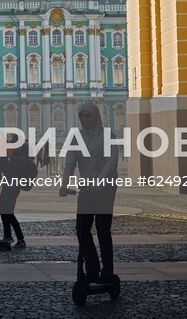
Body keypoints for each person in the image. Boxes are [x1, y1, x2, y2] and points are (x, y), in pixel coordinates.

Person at [61, 102, 120, 283]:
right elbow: (70, 162)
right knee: (81, 229)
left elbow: (111, 162)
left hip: (105, 188)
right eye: (82, 116)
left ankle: (107, 270)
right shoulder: (76, 138)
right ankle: (92, 267)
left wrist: (99, 180)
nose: (84, 119)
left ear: (95, 116)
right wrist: (64, 184)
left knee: (102, 229)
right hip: (87, 188)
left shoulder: (108, 135)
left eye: (88, 116)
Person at [0, 145, 35, 248]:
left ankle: (19, 239)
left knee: (7, 212)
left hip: (10, 188)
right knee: (5, 212)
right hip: (13, 188)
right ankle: (8, 236)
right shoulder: (20, 158)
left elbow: (6, 169)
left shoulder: (16, 159)